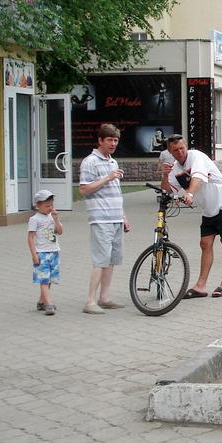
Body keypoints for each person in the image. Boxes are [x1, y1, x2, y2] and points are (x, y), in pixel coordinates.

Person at [161, 134, 222, 298]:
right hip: (208, 209)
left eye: (182, 148)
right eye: (176, 150)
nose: (180, 152)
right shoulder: (175, 168)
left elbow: (197, 177)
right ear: (170, 151)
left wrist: (190, 193)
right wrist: (164, 175)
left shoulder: (197, 156)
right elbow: (168, 190)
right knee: (205, 244)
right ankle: (201, 286)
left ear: (186, 146)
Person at [78, 123, 130, 314]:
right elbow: (83, 189)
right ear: (100, 140)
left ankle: (104, 297)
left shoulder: (112, 162)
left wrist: (123, 216)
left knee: (111, 260)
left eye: (116, 140)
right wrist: (107, 178)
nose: (113, 143)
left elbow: (116, 191)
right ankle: (90, 301)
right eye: (109, 140)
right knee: (100, 260)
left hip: (115, 217)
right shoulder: (90, 161)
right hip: (100, 218)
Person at [27, 190, 63, 316]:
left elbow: (60, 231)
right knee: (43, 279)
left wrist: (56, 220)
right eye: (47, 206)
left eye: (51, 205)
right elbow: (30, 237)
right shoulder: (34, 219)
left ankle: (41, 301)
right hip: (41, 252)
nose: (50, 208)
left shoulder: (52, 217)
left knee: (49, 279)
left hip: (54, 251)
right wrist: (34, 254)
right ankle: (49, 304)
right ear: (38, 205)